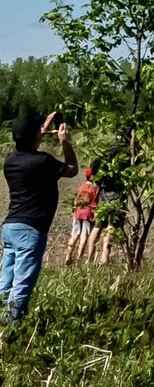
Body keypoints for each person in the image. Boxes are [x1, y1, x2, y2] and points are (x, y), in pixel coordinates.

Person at [2, 112, 74, 322]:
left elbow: (29, 144)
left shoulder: (10, 161)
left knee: (5, 282)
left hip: (10, 227)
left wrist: (39, 131)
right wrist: (65, 142)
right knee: (22, 285)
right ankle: (11, 330)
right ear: (35, 137)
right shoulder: (42, 161)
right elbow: (71, 169)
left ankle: (1, 322)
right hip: (30, 229)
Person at [66, 168, 99, 266]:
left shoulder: (81, 187)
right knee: (84, 236)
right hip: (87, 214)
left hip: (78, 213)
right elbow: (96, 202)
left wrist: (74, 211)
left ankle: (68, 256)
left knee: (74, 235)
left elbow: (75, 200)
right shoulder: (95, 188)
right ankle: (78, 258)